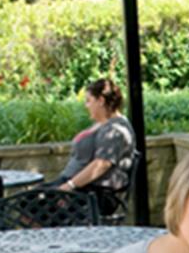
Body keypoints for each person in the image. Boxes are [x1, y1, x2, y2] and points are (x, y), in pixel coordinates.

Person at [54, 78, 136, 218]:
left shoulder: (115, 130)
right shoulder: (104, 124)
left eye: (88, 100)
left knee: (30, 206)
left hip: (94, 195)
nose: (86, 105)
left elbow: (102, 164)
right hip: (82, 189)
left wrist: (70, 185)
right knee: (28, 202)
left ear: (101, 101)